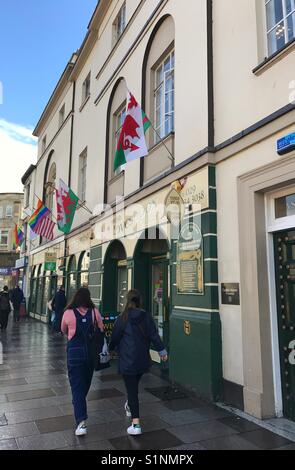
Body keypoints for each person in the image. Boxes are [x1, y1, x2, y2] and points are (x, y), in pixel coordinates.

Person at [109, 289, 168, 436]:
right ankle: (130, 405)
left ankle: (136, 425)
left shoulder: (122, 318)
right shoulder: (146, 316)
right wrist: (162, 351)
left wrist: (110, 350)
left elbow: (115, 337)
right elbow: (154, 335)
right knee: (133, 387)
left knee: (132, 391)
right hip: (142, 360)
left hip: (127, 360)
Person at [61, 287, 104, 436]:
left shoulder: (68, 313)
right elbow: (101, 329)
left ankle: (81, 422)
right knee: (85, 384)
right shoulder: (95, 312)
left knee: (78, 387)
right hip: (91, 355)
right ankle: (80, 412)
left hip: (74, 353)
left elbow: (63, 330)